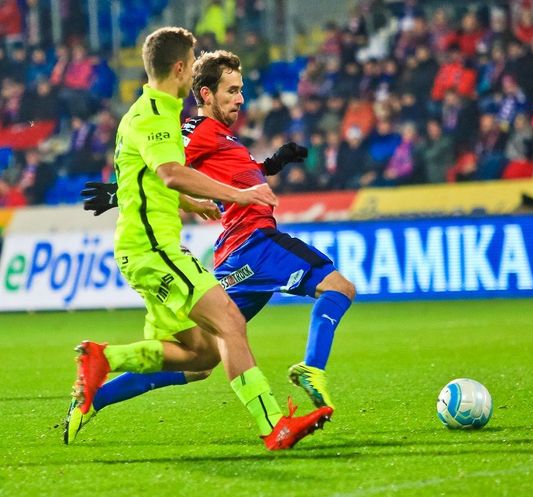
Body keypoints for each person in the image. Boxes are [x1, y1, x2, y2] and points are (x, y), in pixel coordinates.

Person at [64, 29, 332, 450]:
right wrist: (237, 196)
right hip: (154, 248)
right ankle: (274, 427)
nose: (192, 70)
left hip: (143, 249)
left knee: (200, 356)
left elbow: (155, 176)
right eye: (191, 62)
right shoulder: (158, 117)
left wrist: (193, 199)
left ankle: (104, 359)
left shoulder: (147, 111)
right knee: (230, 323)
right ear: (180, 68)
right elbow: (170, 171)